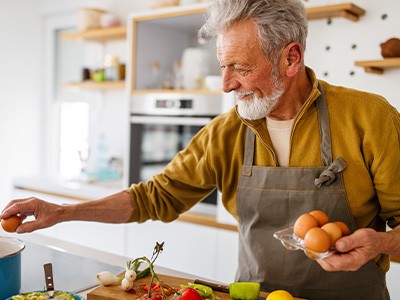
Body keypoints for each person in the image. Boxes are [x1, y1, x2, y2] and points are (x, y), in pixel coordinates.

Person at [2, 0, 400, 298]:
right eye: (222, 66)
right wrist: (64, 212)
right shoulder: (226, 132)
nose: (226, 84)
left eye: (240, 68)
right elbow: (156, 196)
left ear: (291, 57)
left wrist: (381, 243)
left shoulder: (369, 118)